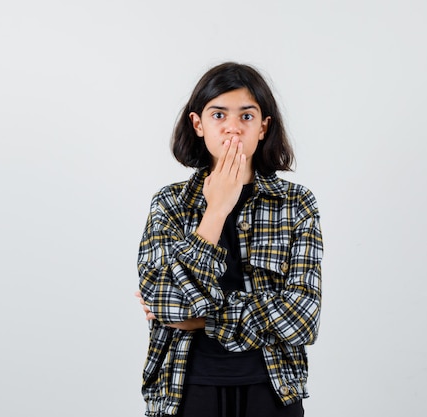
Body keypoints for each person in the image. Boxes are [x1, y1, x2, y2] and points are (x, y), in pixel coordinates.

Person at [135, 62, 323, 417]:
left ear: (263, 127)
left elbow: (303, 317)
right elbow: (168, 304)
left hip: (272, 391)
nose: (233, 128)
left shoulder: (297, 203)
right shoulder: (169, 203)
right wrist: (216, 210)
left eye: (247, 116)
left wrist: (205, 319)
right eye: (218, 114)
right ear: (198, 125)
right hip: (184, 392)